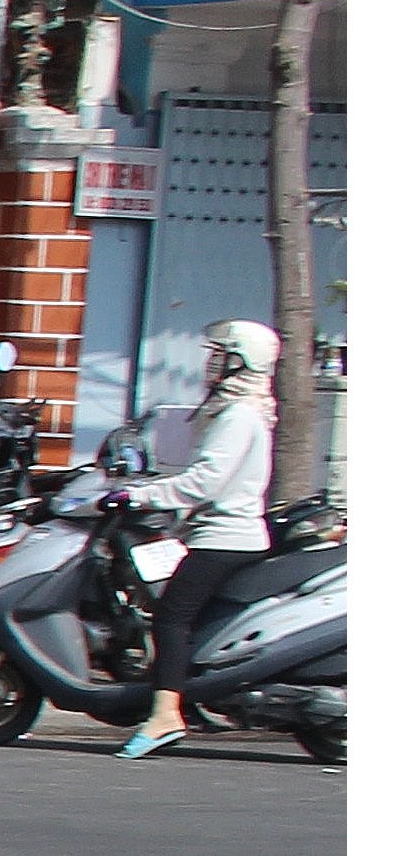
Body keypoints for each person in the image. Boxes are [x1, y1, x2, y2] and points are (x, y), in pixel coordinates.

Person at [123, 316, 283, 760]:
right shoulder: (240, 413)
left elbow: (204, 482)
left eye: (219, 356)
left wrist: (140, 495)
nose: (210, 363)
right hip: (225, 533)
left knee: (171, 618)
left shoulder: (236, 416)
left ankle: (165, 716)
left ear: (239, 362)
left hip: (225, 537)